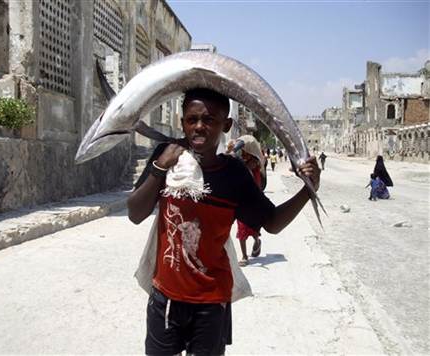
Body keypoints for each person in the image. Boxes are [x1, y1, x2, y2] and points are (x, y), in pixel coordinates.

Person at [127, 88, 320, 355]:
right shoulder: (166, 157)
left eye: (209, 120)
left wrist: (308, 190)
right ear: (181, 122)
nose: (199, 127)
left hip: (211, 303)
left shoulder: (233, 174)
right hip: (166, 299)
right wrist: (160, 167)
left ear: (226, 125)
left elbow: (272, 222)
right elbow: (135, 213)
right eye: (191, 119)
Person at [235, 135, 265, 266]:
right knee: (241, 228)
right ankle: (244, 256)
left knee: (252, 229)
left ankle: (257, 241)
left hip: (253, 202)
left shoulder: (255, 162)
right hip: (241, 201)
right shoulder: (241, 159)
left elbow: (248, 168)